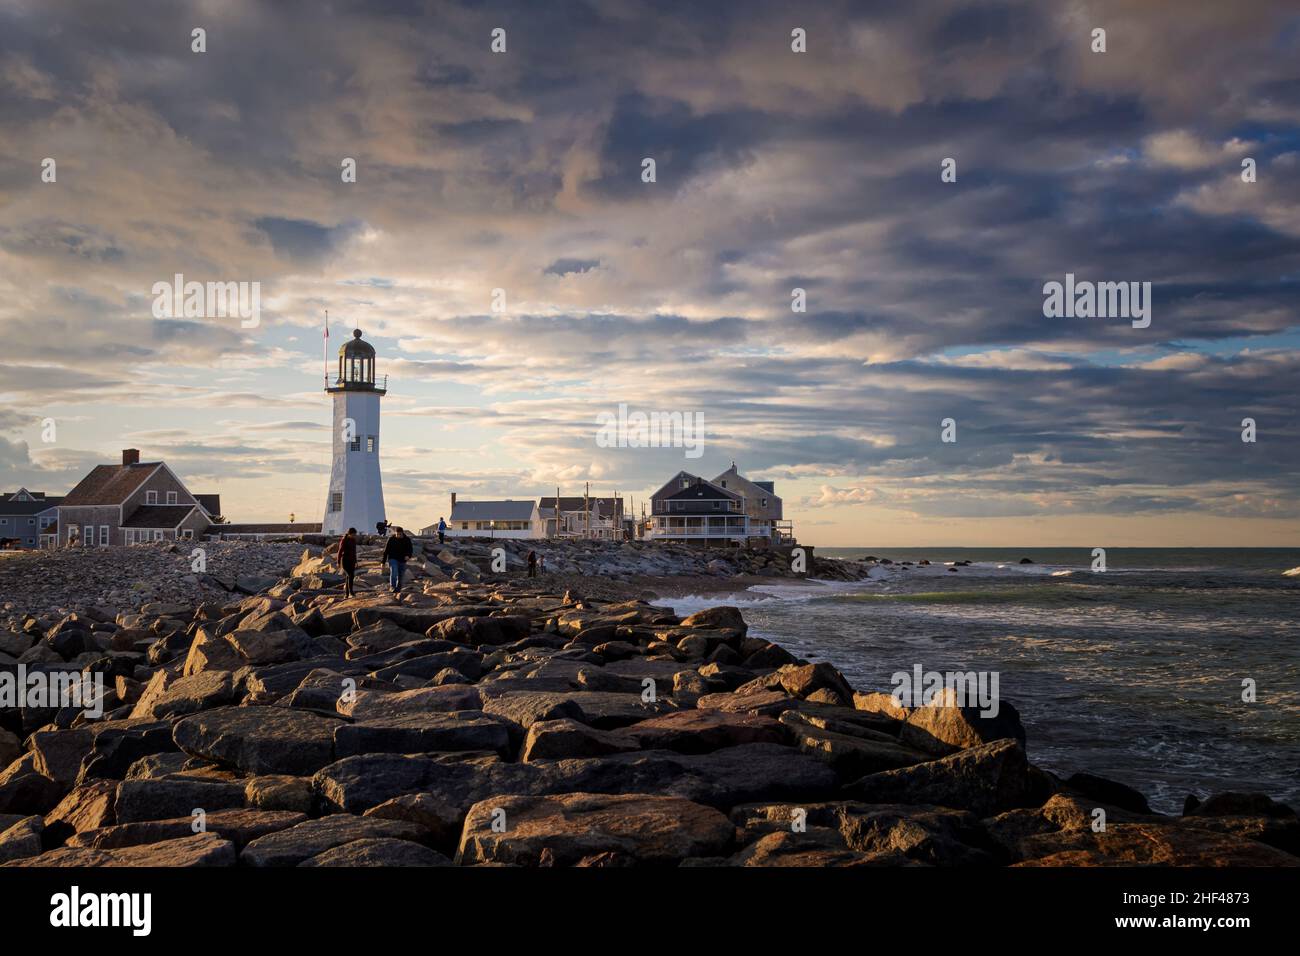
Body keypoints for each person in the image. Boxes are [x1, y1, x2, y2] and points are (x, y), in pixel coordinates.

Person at [381, 526, 413, 594]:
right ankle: (392, 587)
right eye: (397, 534)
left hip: (402, 560)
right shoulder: (391, 539)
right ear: (395, 533)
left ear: (402, 533)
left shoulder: (407, 539)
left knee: (401, 576)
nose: (398, 536)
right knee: (394, 572)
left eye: (400, 534)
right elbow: (386, 551)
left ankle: (398, 589)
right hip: (393, 559)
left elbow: (410, 550)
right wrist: (383, 562)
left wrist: (408, 556)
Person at [335, 527, 358, 597]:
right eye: (353, 534)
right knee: (351, 575)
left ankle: (346, 594)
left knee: (349, 577)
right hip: (345, 560)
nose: (354, 536)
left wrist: (356, 561)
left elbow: (354, 552)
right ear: (349, 534)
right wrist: (338, 562)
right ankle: (351, 592)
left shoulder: (353, 540)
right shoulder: (344, 540)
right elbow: (340, 551)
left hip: (352, 561)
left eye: (355, 535)